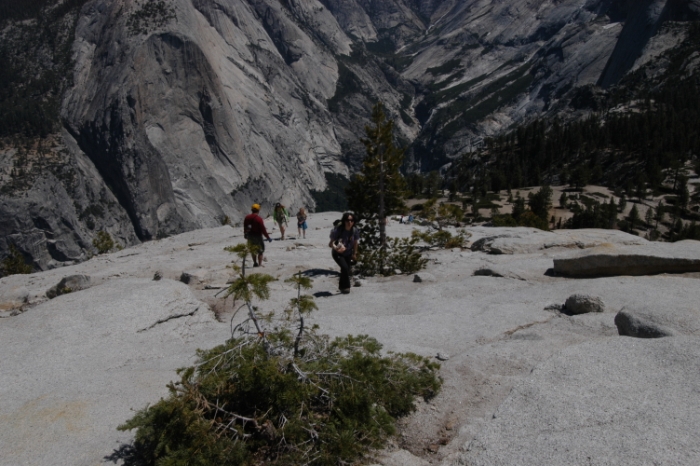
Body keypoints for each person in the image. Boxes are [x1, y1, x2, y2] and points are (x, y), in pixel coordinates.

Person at [329, 212, 360, 294]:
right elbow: (330, 244)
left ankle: (341, 286)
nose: (349, 222)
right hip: (337, 253)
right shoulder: (338, 230)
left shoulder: (355, 231)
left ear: (354, 221)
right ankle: (347, 287)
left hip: (348, 253)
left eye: (351, 220)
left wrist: (354, 253)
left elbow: (355, 243)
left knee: (345, 269)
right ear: (344, 221)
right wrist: (337, 249)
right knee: (345, 268)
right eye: (347, 220)